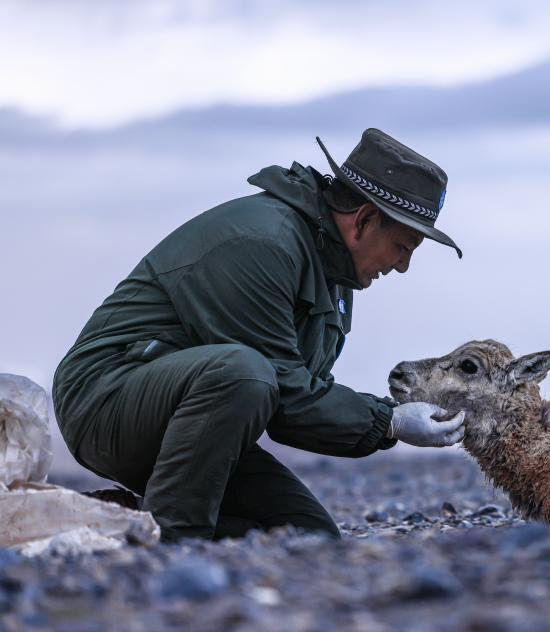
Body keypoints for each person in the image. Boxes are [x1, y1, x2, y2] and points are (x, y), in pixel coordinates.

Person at [52, 128, 465, 541]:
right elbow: (282, 392)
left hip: (197, 419)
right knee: (245, 372)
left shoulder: (335, 272)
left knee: (306, 535)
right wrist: (390, 422)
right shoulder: (264, 244)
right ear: (364, 220)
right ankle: (174, 542)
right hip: (103, 399)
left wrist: (387, 421)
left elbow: (299, 397)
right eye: (404, 246)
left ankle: (108, 523)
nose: (402, 266)